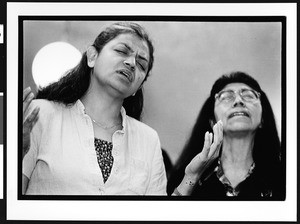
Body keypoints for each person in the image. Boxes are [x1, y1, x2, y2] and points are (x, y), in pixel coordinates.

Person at [22, 22, 167, 195]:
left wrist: (190, 177)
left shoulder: (148, 140)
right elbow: (10, 205)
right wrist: (16, 152)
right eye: (122, 51)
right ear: (92, 57)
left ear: (138, 86)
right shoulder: (40, 114)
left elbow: (156, 216)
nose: (131, 63)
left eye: (142, 64)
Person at [167, 71, 285, 199]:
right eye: (226, 96)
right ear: (212, 121)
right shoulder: (187, 176)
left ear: (262, 119)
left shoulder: (286, 177)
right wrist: (192, 177)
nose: (238, 101)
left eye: (249, 95)